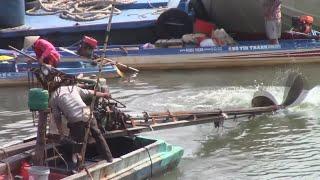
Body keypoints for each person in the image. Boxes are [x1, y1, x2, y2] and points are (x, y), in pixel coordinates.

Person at [50, 85, 113, 162]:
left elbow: (57, 117)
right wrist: (104, 94)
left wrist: (61, 133)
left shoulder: (54, 97)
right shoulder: (72, 88)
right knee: (98, 135)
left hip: (75, 117)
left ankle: (78, 166)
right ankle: (109, 158)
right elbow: (91, 93)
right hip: (87, 112)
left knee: (77, 142)